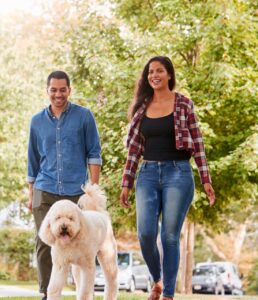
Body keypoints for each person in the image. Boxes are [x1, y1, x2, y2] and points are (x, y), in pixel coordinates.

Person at [119, 56, 216, 300]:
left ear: (169, 75)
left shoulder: (183, 103)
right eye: (150, 71)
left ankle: (169, 294)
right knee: (145, 233)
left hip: (178, 173)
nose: (154, 75)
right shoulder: (142, 108)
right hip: (148, 174)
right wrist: (126, 184)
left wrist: (206, 180)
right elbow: (133, 151)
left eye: (159, 71)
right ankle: (158, 280)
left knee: (169, 236)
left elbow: (198, 143)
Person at [27, 70, 102, 299]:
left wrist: (93, 193)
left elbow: (94, 154)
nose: (58, 94)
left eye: (62, 89)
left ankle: (82, 292)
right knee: (44, 242)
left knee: (80, 242)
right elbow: (32, 160)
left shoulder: (84, 116)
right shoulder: (37, 121)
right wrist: (31, 195)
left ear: (69, 90)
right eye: (53, 90)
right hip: (44, 189)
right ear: (47, 91)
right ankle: (48, 294)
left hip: (75, 192)